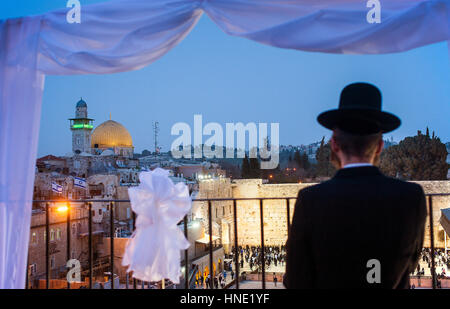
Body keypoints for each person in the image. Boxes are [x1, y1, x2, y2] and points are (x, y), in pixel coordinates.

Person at [284, 83, 427, 289]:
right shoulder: (411, 197)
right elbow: (411, 263)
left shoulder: (310, 200)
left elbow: (296, 280)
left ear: (334, 144)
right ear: (379, 146)